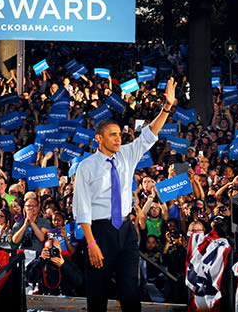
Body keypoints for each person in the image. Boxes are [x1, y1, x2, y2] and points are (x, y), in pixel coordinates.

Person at [73, 77, 176, 312]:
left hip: (127, 230)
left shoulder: (127, 154)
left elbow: (149, 134)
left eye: (119, 134)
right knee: (97, 292)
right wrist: (91, 244)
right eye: (112, 135)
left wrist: (167, 107)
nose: (119, 138)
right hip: (100, 231)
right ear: (99, 138)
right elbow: (82, 208)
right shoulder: (86, 167)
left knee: (131, 290)